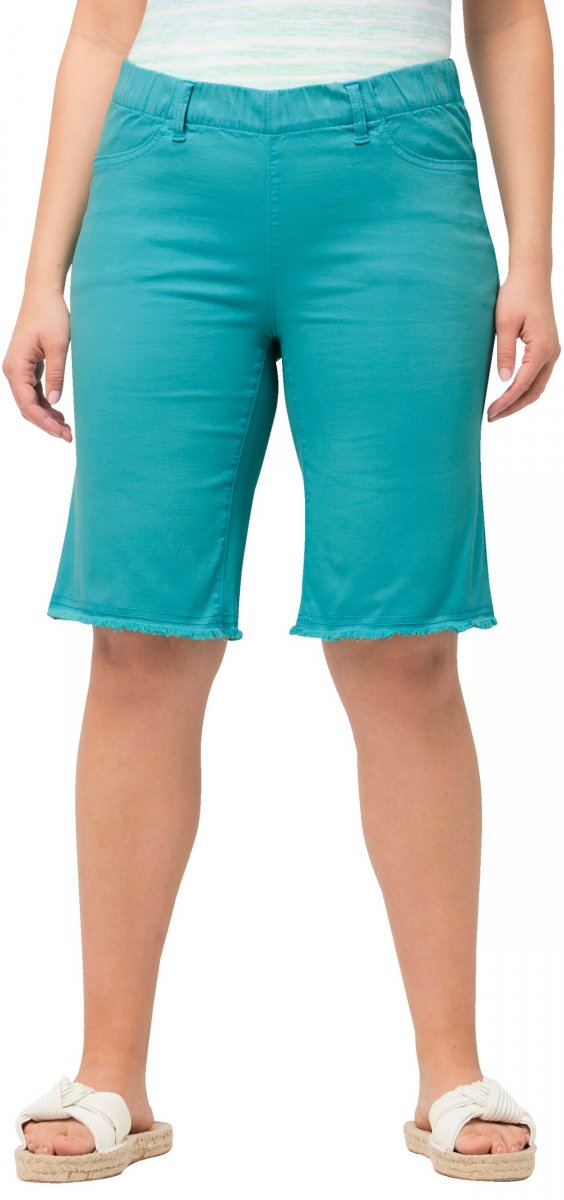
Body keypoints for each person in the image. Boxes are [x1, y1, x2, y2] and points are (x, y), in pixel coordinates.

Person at [3, 0, 560, 1186]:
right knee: (138, 638)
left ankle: (453, 1072)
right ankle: (110, 1074)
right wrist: (41, 274)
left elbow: (511, 17)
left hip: (397, 184)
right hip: (161, 178)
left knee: (406, 644)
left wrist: (535, 259)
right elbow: (100, 28)